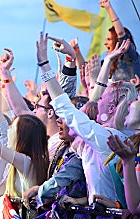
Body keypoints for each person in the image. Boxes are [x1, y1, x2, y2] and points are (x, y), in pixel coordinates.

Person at [37, 32, 137, 206]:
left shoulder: (109, 138)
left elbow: (66, 109)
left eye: (100, 99)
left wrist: (45, 65)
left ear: (112, 108)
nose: (94, 100)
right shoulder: (104, 138)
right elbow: (67, 112)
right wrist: (103, 62)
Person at [99, 0, 140, 81]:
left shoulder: (129, 56)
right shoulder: (106, 63)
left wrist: (108, 8)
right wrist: (76, 52)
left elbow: (121, 34)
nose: (105, 43)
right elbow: (86, 68)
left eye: (109, 39)